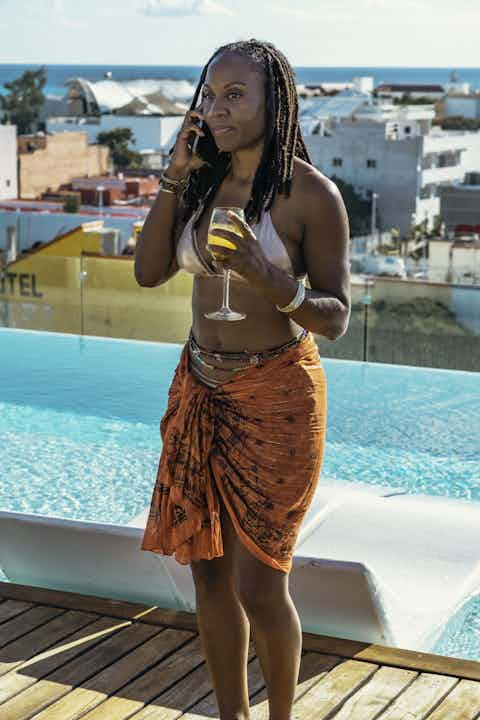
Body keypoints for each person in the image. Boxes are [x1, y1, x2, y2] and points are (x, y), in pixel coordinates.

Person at [135, 38, 350, 720]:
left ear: (273, 103)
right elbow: (147, 272)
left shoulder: (311, 196)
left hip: (277, 398)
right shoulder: (198, 178)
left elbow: (336, 315)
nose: (217, 108)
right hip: (200, 387)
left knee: (261, 583)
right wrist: (174, 172)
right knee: (208, 572)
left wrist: (270, 278)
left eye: (236, 95)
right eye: (210, 94)